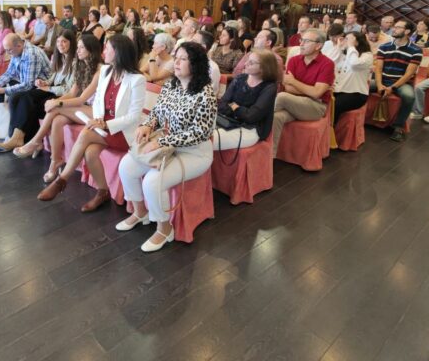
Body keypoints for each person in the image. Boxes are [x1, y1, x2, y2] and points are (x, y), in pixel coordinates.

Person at [116, 42, 216, 252]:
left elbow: (200, 133)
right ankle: (140, 211)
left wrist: (160, 141)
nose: (175, 62)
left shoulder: (205, 93)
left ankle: (164, 228)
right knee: (126, 166)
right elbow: (157, 113)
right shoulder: (172, 85)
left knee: (153, 181)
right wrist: (147, 125)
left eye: (182, 59)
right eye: (175, 57)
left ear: (195, 64)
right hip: (167, 145)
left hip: (194, 152)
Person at [37, 34, 145, 211]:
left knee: (86, 133)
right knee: (90, 153)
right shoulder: (105, 72)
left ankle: (61, 180)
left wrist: (106, 125)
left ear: (118, 53)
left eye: (107, 48)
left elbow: (134, 117)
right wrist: (98, 118)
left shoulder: (136, 79)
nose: (104, 52)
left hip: (123, 132)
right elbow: (98, 102)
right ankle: (102, 192)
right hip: (103, 126)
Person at [13, 35, 102, 182]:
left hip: (96, 109)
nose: (77, 50)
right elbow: (72, 93)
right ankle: (55, 161)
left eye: (81, 47)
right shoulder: (81, 66)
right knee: (58, 120)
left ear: (91, 50)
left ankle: (36, 141)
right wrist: (56, 101)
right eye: (78, 46)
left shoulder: (99, 70)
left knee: (55, 109)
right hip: (83, 107)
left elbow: (81, 98)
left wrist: (57, 103)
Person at [0, 30, 77, 153]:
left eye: (64, 41)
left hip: (63, 95)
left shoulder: (76, 62)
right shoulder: (59, 57)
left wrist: (48, 88)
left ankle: (21, 139)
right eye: (58, 41)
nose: (60, 44)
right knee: (18, 98)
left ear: (72, 43)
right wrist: (44, 82)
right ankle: (16, 136)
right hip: (53, 90)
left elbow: (68, 89)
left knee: (27, 98)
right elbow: (52, 77)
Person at [272, 28, 335, 155]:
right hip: (293, 103)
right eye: (301, 40)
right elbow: (288, 87)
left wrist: (294, 82)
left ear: (319, 46)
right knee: (275, 117)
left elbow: (317, 94)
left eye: (306, 41)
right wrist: (310, 89)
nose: (300, 44)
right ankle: (270, 157)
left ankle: (250, 119)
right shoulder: (294, 60)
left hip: (315, 106)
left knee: (282, 96)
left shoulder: (327, 64)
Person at [214, 49, 279, 150]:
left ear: (264, 67)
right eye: (248, 59)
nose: (246, 63)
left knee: (208, 141)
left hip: (251, 129)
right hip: (228, 121)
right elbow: (222, 104)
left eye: (251, 62)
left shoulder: (269, 87)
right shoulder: (240, 78)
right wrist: (237, 108)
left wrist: (232, 105)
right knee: (201, 134)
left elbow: (251, 116)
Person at [372, 19, 423, 142]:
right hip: (382, 79)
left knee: (409, 96)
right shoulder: (385, 46)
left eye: (398, 27)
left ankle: (398, 127)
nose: (394, 29)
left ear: (407, 31)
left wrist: (393, 87)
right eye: (395, 27)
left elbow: (409, 74)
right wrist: (379, 85)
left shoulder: (416, 50)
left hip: (401, 82)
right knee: (361, 87)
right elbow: (378, 68)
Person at [330, 31, 374, 124]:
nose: (346, 41)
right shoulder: (345, 54)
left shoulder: (367, 56)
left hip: (356, 94)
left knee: (335, 106)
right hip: (339, 90)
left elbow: (354, 64)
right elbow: (329, 62)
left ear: (357, 42)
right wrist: (339, 46)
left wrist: (351, 46)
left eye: (349, 39)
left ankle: (330, 133)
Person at [192, 29, 221, 96]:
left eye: (194, 41)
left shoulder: (212, 68)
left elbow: (211, 93)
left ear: (203, 47)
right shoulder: (186, 61)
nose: (190, 43)